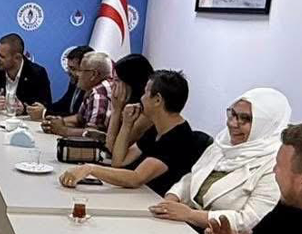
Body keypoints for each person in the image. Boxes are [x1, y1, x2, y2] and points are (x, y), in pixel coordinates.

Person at [149, 87, 290, 233]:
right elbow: (192, 177)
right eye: (233, 114)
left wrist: (191, 215)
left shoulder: (275, 165)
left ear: (266, 125)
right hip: (185, 226)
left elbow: (249, 220)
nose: (233, 123)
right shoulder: (224, 144)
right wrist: (170, 200)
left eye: (245, 119)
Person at [61, 70, 210, 195]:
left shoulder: (178, 137)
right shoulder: (155, 129)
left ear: (157, 100)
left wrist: (90, 169)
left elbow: (136, 178)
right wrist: (127, 124)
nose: (142, 98)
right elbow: (118, 162)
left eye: (146, 93)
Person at [0, 33, 52, 114]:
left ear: (17, 58)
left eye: (2, 56)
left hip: (24, 120)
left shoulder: (37, 73)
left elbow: (46, 105)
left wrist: (24, 109)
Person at [42, 51, 113, 138]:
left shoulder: (98, 94)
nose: (77, 74)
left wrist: (63, 130)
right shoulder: (92, 90)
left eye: (81, 70)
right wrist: (54, 123)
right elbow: (79, 119)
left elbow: (93, 135)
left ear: (94, 74)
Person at [101, 53, 155, 153]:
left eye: (117, 80)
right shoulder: (127, 105)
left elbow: (111, 149)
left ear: (131, 83)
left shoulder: (146, 115)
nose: (112, 85)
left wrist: (116, 110)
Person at [28, 45, 92, 121]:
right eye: (68, 68)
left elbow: (78, 117)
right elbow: (63, 104)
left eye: (73, 69)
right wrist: (40, 109)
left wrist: (44, 113)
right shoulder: (74, 82)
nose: (68, 72)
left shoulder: (92, 90)